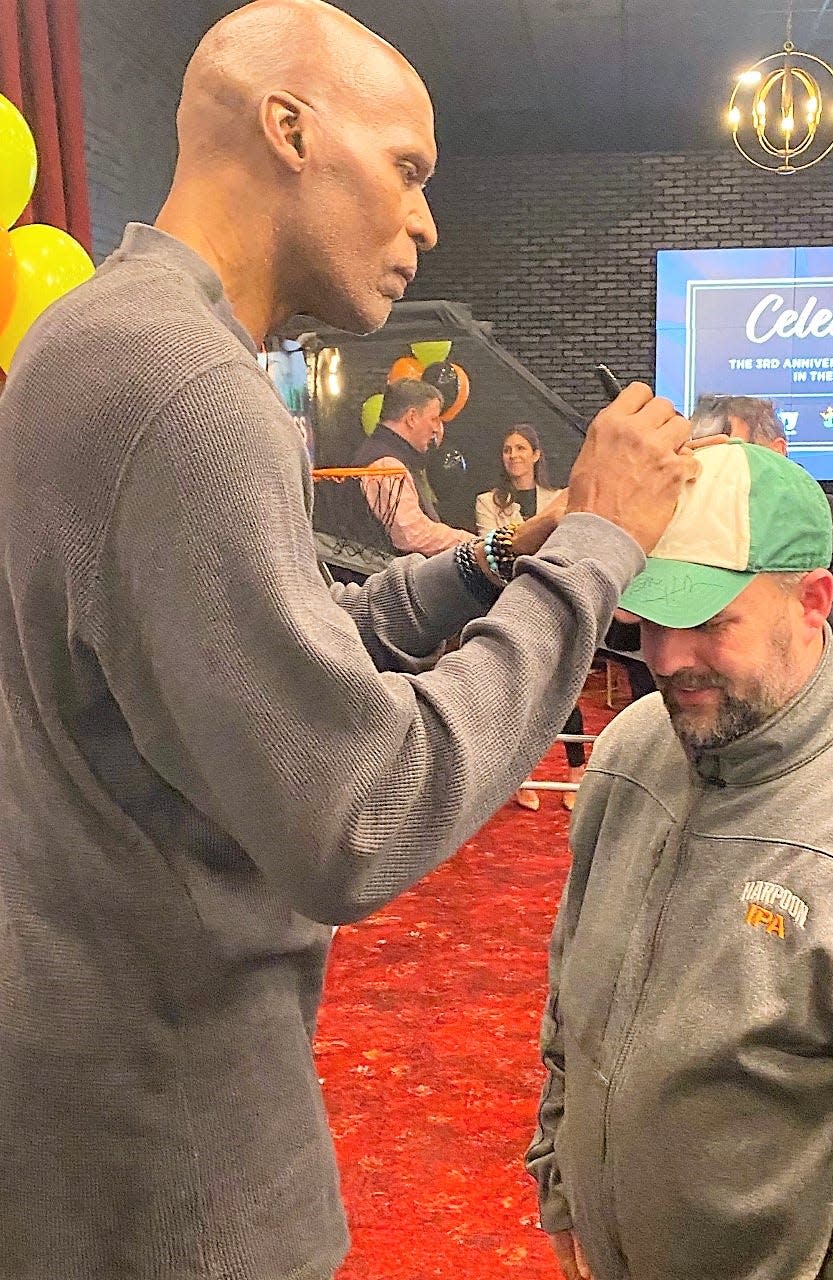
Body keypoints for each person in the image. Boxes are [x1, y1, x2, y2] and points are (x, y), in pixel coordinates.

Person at [0, 2, 701, 1278]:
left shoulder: (104, 338)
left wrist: (501, 557)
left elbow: (284, 651)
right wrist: (600, 551)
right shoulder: (188, 388)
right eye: (410, 169)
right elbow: (357, 813)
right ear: (288, 130)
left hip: (94, 1098)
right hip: (168, 1166)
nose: (427, 220)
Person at [527, 439, 833, 1280]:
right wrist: (560, 1175)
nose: (667, 657)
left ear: (813, 601)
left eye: (711, 622)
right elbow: (570, 989)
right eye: (653, 618)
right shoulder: (627, 752)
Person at [689, 393, 833, 689]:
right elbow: (624, 634)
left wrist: (741, 599)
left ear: (776, 453)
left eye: (727, 453)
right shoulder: (685, 525)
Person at [476, 425, 587, 810]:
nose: (513, 455)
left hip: (554, 596)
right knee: (518, 688)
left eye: (521, 448)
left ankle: (576, 771)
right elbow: (497, 550)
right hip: (508, 601)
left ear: (536, 455)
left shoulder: (558, 498)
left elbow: (562, 547)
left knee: (564, 686)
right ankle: (519, 777)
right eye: (507, 449)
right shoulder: (487, 501)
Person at [352, 377, 474, 554]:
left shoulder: (388, 456)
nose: (436, 429)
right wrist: (470, 542)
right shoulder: (386, 465)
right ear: (411, 418)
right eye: (433, 419)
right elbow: (413, 535)